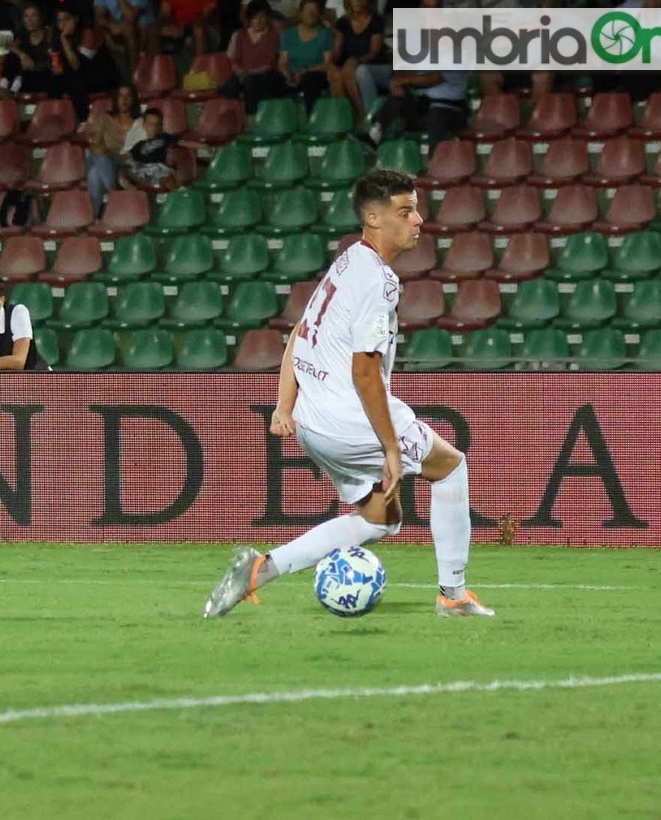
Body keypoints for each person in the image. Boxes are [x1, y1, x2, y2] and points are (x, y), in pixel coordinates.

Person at [202, 168, 494, 620]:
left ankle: (260, 569)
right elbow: (364, 373)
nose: (418, 220)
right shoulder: (379, 281)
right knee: (451, 468)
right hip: (347, 416)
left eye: (416, 208)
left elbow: (299, 333)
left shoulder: (347, 261)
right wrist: (391, 446)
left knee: (381, 519)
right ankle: (453, 596)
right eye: (406, 211)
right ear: (374, 219)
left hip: (313, 421)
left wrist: (284, 406)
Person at [366, 70, 468, 148]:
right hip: (422, 106)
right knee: (399, 95)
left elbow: (434, 78)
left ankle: (433, 162)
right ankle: (375, 131)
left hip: (449, 110)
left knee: (437, 114)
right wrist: (396, 82)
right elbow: (404, 71)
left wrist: (402, 80)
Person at [221, 0, 287, 116]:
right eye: (254, 18)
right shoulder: (239, 35)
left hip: (266, 74)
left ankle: (251, 118)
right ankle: (232, 117)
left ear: (268, 18)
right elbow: (234, 62)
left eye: (262, 17)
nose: (258, 21)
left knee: (250, 82)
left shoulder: (274, 35)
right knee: (231, 83)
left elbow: (269, 64)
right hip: (243, 73)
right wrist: (240, 72)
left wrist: (248, 74)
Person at [84, 82, 141, 217]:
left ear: (133, 100)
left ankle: (94, 219)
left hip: (125, 165)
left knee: (94, 175)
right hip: (105, 161)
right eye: (121, 96)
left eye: (128, 96)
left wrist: (114, 155)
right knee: (96, 152)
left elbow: (137, 153)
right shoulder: (104, 119)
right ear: (116, 99)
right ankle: (113, 191)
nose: (124, 100)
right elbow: (95, 145)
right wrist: (112, 155)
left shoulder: (140, 123)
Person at [120, 107, 203, 191]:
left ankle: (177, 196)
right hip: (143, 170)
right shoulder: (139, 144)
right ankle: (135, 193)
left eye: (157, 124)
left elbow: (184, 143)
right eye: (150, 124)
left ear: (161, 126)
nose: (153, 128)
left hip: (158, 168)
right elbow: (128, 156)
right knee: (122, 172)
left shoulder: (164, 137)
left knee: (167, 178)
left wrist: (204, 146)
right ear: (144, 125)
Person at [327, 0, 385, 116]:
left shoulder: (376, 21)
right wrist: (332, 64)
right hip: (347, 64)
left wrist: (356, 61)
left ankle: (364, 114)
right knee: (337, 75)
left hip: (372, 64)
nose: (357, 2)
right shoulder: (342, 22)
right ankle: (345, 116)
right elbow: (337, 49)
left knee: (355, 70)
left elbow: (374, 52)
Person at [276, 0, 332, 113]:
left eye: (314, 11)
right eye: (307, 10)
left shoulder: (325, 34)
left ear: (319, 15)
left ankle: (310, 118)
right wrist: (287, 74)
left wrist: (305, 71)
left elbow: (327, 64)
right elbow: (282, 61)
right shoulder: (287, 34)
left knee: (311, 80)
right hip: (291, 74)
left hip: (314, 73)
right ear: (300, 13)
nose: (310, 14)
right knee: (271, 79)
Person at [0, 2, 54, 96]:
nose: (29, 20)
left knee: (26, 74)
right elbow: (8, 45)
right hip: (24, 76)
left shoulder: (48, 34)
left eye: (34, 16)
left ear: (41, 18)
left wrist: (34, 65)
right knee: (12, 55)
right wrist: (23, 55)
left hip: (42, 76)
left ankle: (13, 91)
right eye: (26, 16)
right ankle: (3, 86)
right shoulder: (22, 34)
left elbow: (50, 61)